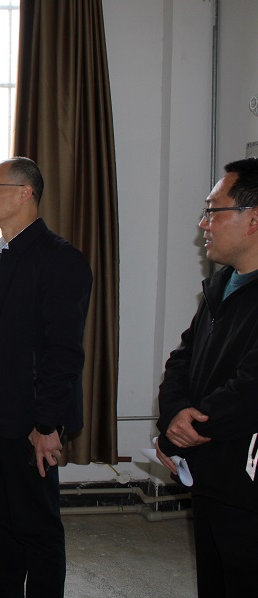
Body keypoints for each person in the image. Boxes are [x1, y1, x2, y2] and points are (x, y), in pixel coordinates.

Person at [0, 157, 92, 597]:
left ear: (25, 193)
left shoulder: (60, 260)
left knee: (36, 523)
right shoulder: (2, 255)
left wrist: (47, 425)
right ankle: (5, 590)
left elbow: (63, 352)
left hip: (30, 416)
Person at [155, 158, 258, 597]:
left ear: (253, 219)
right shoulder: (220, 286)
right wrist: (173, 415)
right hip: (208, 473)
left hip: (245, 481)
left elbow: (250, 388)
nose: (203, 224)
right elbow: (182, 359)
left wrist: (186, 430)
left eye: (213, 211)